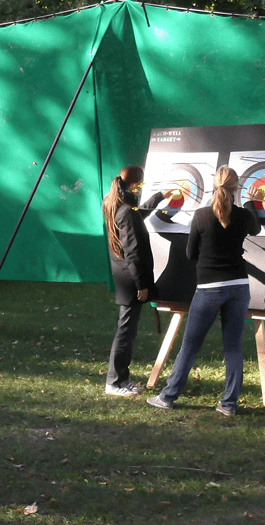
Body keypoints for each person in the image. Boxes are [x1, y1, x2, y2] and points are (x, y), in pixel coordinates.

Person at [148, 166, 263, 416]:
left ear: (214, 185)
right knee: (233, 347)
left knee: (190, 346)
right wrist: (253, 202)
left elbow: (191, 254)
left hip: (209, 288)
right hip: (239, 287)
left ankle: (167, 397)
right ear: (236, 188)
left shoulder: (201, 215)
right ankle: (229, 404)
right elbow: (255, 230)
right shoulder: (243, 215)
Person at [102, 165, 176, 396]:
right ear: (134, 185)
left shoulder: (118, 206)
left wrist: (159, 197)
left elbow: (137, 214)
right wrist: (142, 285)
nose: (141, 189)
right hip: (131, 279)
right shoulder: (124, 211)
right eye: (141, 185)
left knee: (128, 330)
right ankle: (114, 382)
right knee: (125, 331)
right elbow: (133, 252)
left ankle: (122, 379)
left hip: (125, 276)